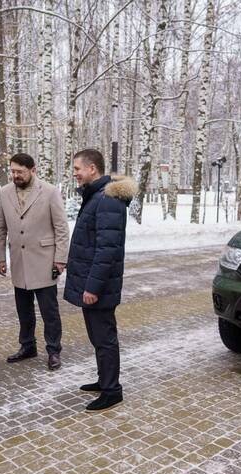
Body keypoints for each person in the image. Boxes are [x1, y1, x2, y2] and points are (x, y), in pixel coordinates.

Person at [64, 149, 136, 411]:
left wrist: (92, 287)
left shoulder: (106, 200)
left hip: (99, 287)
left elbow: (107, 250)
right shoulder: (96, 196)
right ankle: (104, 379)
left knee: (105, 338)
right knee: (99, 336)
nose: (75, 173)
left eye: (77, 168)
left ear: (92, 168)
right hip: (92, 283)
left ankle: (112, 390)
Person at [0, 153, 70, 370]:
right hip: (19, 261)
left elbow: (61, 229)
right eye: (13, 171)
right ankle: (27, 346)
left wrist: (60, 259)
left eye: (20, 171)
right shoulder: (5, 192)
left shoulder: (49, 191)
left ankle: (53, 350)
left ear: (33, 170)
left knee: (49, 311)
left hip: (44, 261)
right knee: (23, 309)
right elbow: (0, 228)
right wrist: (0, 257)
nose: (16, 175)